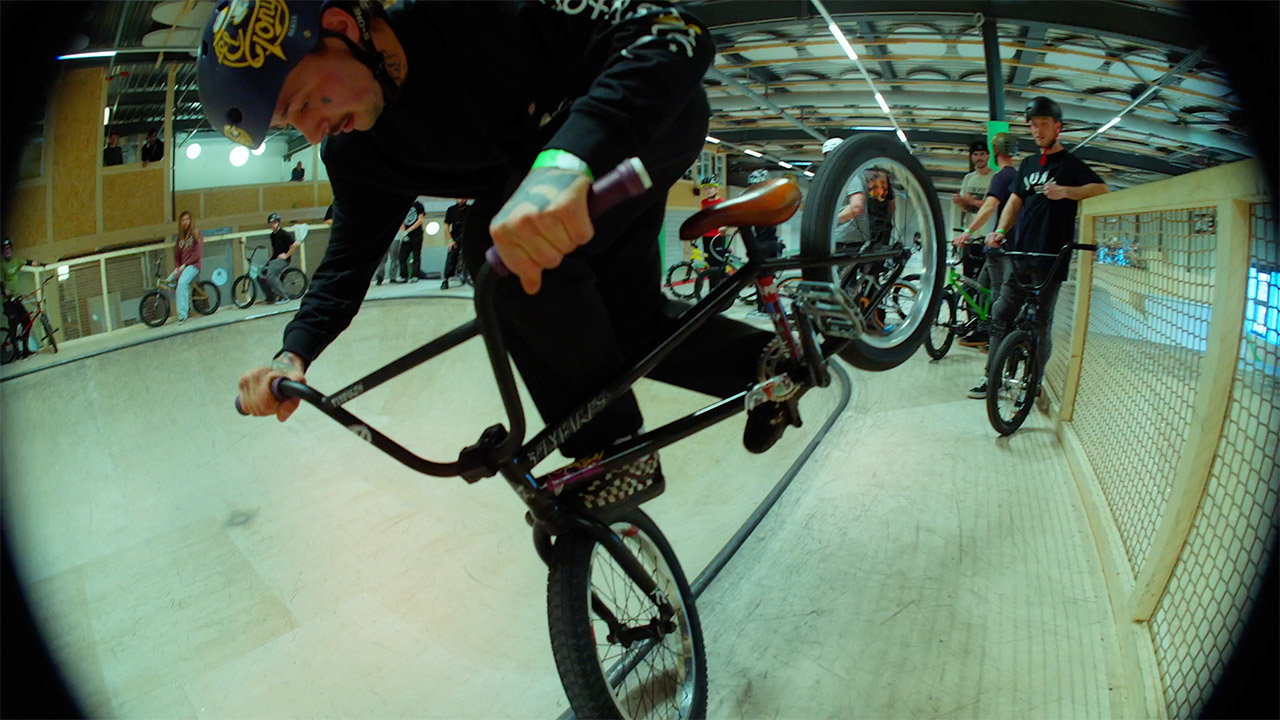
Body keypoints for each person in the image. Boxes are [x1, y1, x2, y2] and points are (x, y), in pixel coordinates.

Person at [203, 0, 787, 514]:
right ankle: (767, 363)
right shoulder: (358, 153)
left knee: (493, 239)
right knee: (627, 334)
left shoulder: (470, 12)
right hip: (548, 193)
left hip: (641, 126)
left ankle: (612, 452)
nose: (311, 132)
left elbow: (675, 32)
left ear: (340, 28)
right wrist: (293, 353)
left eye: (305, 101)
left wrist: (564, 164)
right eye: (291, 122)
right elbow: (346, 264)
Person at [974, 96, 1110, 399]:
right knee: (1000, 314)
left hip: (1051, 257)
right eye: (1033, 126)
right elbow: (1014, 202)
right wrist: (999, 231)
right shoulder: (1028, 165)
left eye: (1043, 124)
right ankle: (991, 376)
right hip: (1020, 254)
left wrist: (1066, 192)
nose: (1037, 130)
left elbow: (1101, 188)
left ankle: (1032, 382)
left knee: (1041, 323)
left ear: (1057, 127)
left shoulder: (1071, 165)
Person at [951, 132, 1018, 355]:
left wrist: (968, 232)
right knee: (981, 288)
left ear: (994, 152)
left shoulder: (1000, 176)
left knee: (996, 294)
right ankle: (983, 331)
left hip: (998, 244)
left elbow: (989, 207)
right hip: (1000, 242)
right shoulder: (1015, 175)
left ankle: (996, 341)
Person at [951, 140, 993, 280]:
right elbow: (967, 207)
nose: (979, 157)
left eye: (982, 154)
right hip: (970, 239)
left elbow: (993, 205)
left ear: (988, 156)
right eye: (975, 154)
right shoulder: (968, 178)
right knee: (967, 278)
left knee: (985, 278)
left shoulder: (995, 178)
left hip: (987, 237)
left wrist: (973, 201)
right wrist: (961, 202)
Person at [2, 237, 45, 358]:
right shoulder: (2, 265)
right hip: (8, 301)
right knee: (14, 323)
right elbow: (1, 284)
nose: (7, 251)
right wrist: (6, 292)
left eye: (9, 248)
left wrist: (42, 265)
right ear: (3, 251)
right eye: (5, 249)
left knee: (27, 322)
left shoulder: (16, 261)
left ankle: (25, 350)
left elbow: (28, 262)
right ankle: (16, 353)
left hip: (16, 299)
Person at [168, 211, 204, 322]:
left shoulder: (196, 234)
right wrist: (177, 267)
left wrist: (184, 265)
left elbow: (197, 254)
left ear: (191, 221)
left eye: (187, 219)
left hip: (193, 265)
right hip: (182, 267)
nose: (185, 222)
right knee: (168, 281)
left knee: (182, 283)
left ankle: (182, 314)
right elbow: (176, 255)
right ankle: (186, 305)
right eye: (183, 220)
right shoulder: (180, 238)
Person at [264, 213, 299, 303]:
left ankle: (284, 296)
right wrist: (270, 259)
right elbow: (274, 248)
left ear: (278, 223)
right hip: (274, 259)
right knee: (261, 275)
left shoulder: (284, 234)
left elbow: (295, 244)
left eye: (274, 223)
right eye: (271, 223)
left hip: (283, 260)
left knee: (270, 276)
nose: (272, 225)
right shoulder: (272, 235)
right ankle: (271, 297)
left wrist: (286, 255)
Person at [398, 199, 429, 282]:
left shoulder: (418, 205)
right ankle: (403, 276)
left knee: (416, 255)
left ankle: (415, 275)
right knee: (402, 256)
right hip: (406, 235)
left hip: (416, 234)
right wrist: (404, 232)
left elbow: (420, 220)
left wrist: (409, 230)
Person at [441, 198, 468, 289]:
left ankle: (469, 276)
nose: (460, 200)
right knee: (451, 256)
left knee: (469, 256)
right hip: (455, 237)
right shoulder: (451, 210)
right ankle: (446, 279)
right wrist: (450, 240)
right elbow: (446, 226)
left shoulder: (469, 209)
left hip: (467, 236)